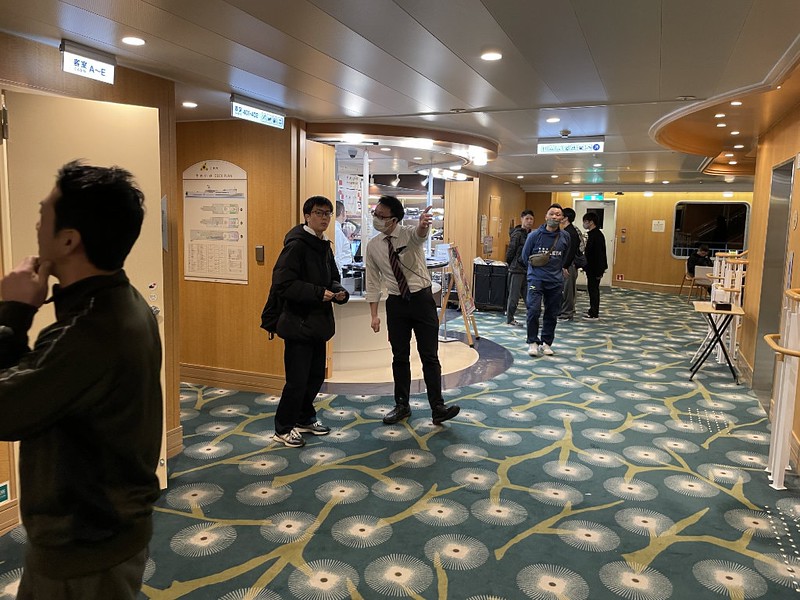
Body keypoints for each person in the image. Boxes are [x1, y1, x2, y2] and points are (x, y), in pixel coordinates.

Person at [0, 161, 162, 598]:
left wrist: (12, 313)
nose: (36, 224)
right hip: (108, 529)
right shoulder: (122, 302)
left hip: (86, 544)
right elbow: (34, 391)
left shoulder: (92, 330)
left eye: (43, 214)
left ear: (69, 240)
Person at [365, 195, 460, 425]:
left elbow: (419, 235)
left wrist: (423, 224)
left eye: (381, 215)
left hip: (422, 300)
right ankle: (401, 405)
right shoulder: (373, 246)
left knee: (429, 355)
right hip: (396, 303)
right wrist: (374, 314)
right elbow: (372, 281)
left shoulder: (408, 233)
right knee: (399, 356)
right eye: (375, 214)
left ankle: (437, 407)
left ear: (394, 219)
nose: (376, 218)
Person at [270, 196, 349, 447]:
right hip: (298, 323)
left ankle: (304, 418)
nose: (324, 217)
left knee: (315, 376)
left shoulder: (323, 244)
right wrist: (317, 293)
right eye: (318, 213)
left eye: (328, 213)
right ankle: (283, 427)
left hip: (318, 323)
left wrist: (338, 291)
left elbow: (332, 277)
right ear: (307, 216)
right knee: (297, 379)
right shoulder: (296, 245)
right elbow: (283, 284)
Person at [521, 204, 571, 357]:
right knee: (533, 310)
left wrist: (561, 269)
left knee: (552, 313)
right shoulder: (535, 236)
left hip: (555, 281)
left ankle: (546, 342)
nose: (555, 217)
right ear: (546, 216)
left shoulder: (565, 237)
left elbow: (566, 256)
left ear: (562, 218)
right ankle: (532, 342)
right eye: (552, 214)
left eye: (558, 215)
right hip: (536, 279)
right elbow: (525, 257)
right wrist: (533, 272)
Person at [505, 209, 535, 326]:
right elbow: (510, 251)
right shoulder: (517, 234)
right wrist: (510, 263)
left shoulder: (531, 235)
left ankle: (533, 318)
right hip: (516, 269)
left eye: (531, 219)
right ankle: (510, 318)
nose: (529, 221)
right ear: (522, 219)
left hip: (527, 269)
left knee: (530, 296)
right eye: (527, 218)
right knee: (514, 296)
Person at [582, 212, 608, 320]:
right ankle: (592, 309)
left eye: (585, 222)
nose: (584, 224)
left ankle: (594, 313)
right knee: (592, 289)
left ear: (591, 222)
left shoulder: (596, 235)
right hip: (592, 267)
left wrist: (599, 271)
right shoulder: (593, 234)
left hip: (595, 268)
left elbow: (599, 254)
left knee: (593, 290)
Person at [558, 207, 582, 322]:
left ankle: (566, 313)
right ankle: (568, 311)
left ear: (566, 218)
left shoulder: (569, 232)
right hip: (569, 264)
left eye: (560, 215)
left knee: (568, 290)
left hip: (569, 265)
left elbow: (570, 251)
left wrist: (565, 266)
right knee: (568, 289)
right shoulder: (570, 230)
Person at [334, 200, 353, 277]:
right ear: (342, 212)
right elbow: (337, 256)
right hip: (340, 273)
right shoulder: (337, 231)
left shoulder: (337, 230)